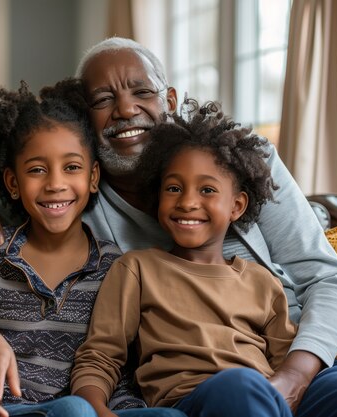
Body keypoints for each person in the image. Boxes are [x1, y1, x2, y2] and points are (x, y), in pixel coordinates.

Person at [0, 36, 337, 416]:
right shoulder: (86, 200)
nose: (125, 109)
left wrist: (295, 375)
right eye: (104, 99)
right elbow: (29, 166)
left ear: (169, 99)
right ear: (86, 116)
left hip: (291, 361)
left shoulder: (237, 162)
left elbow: (328, 278)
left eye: (142, 91)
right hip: (195, 387)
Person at [0, 79, 185, 417]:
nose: (56, 184)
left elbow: (119, 370)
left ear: (92, 178)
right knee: (75, 410)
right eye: (37, 170)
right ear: (13, 183)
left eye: (71, 167)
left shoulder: (115, 267)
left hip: (86, 407)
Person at [72, 101, 299, 417]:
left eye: (207, 190)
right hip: (188, 401)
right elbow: (101, 354)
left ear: (237, 206)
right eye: (174, 188)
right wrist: (93, 405)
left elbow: (286, 364)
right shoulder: (138, 269)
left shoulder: (260, 280)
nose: (188, 202)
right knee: (241, 386)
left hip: (259, 395)